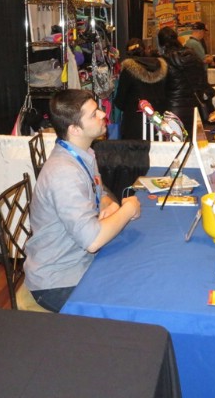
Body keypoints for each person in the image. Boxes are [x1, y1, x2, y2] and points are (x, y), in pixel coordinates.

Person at [25, 89, 141, 312]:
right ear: (75, 129)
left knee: (137, 273)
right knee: (131, 302)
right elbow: (93, 240)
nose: (103, 115)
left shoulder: (82, 153)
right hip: (57, 281)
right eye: (94, 114)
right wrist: (128, 209)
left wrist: (109, 204)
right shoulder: (64, 173)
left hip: (80, 263)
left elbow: (99, 190)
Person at [157, 26, 213, 132]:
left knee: (175, 141)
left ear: (161, 44)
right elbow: (201, 80)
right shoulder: (192, 56)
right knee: (194, 139)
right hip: (195, 108)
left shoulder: (163, 61)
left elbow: (161, 88)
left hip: (172, 109)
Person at [113, 38, 168, 140]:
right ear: (145, 49)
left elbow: (120, 101)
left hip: (134, 123)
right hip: (158, 121)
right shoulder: (161, 68)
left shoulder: (128, 70)